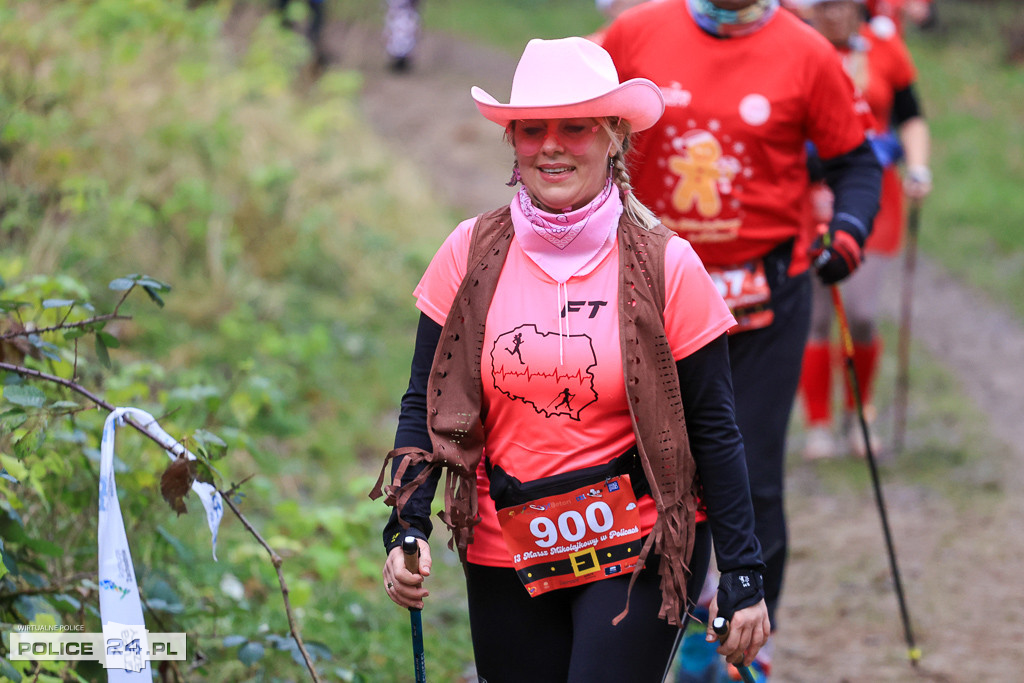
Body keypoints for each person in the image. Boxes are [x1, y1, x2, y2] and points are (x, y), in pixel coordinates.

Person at [371, 36, 771, 683]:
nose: (551, 145)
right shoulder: (468, 254)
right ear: (513, 140)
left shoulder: (668, 265)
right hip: (507, 548)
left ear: (614, 136)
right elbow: (424, 399)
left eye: (575, 127)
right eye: (532, 129)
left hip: (636, 546)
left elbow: (715, 427)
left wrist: (744, 571)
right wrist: (406, 526)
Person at [600, 2, 883, 680]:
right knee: (642, 470)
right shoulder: (639, 33)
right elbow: (578, 120)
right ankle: (636, 629)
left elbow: (857, 162)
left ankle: (743, 638)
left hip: (764, 300)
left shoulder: (807, 51)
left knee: (751, 476)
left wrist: (847, 230)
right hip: (649, 295)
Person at [797, 0, 932, 460]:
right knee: (814, 315)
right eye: (820, 5)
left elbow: (911, 114)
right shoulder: (795, 46)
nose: (831, 13)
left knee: (862, 312)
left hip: (871, 195)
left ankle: (859, 412)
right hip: (805, 197)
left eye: (839, 4)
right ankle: (819, 424)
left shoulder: (885, 47)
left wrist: (917, 166)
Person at [383, 0, 422, 72]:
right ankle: (399, 57)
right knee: (400, 28)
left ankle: (401, 57)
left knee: (404, 28)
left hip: (405, 12)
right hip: (401, 12)